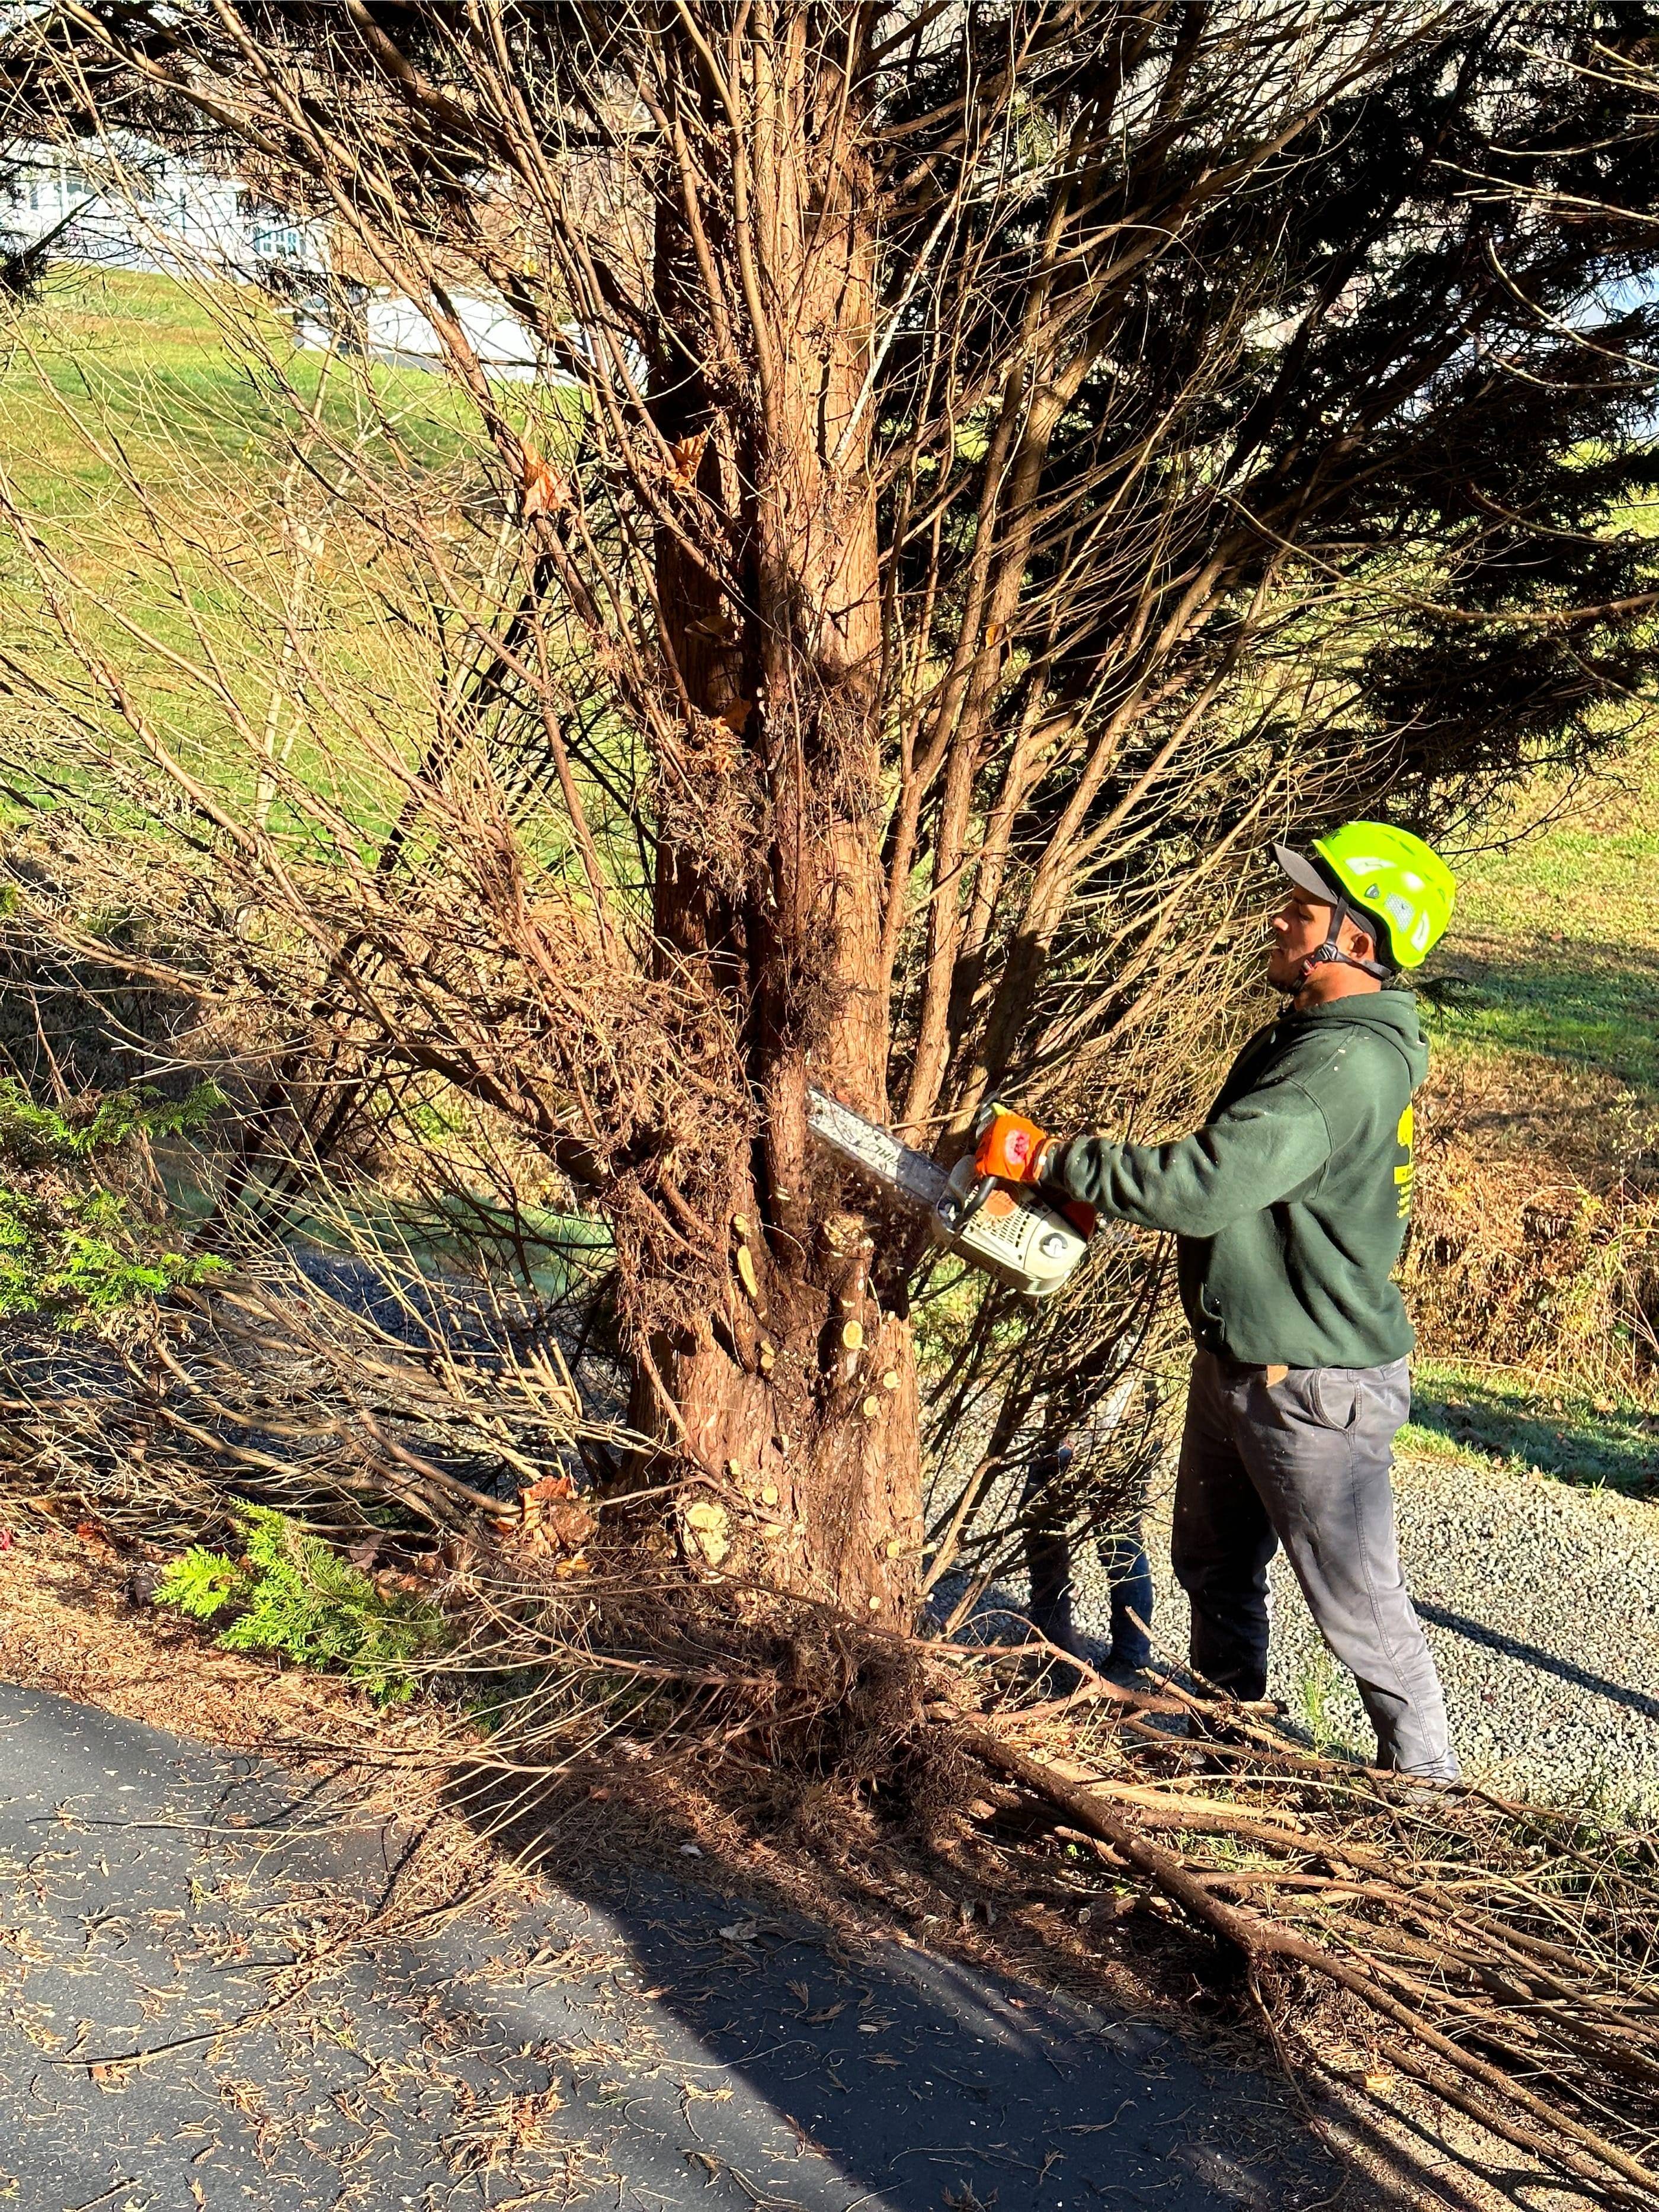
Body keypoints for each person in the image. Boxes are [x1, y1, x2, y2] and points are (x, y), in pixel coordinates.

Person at [975, 823, 1459, 1779]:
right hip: (1248, 1356)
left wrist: (1049, 1159)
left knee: (1362, 1614)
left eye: (1303, 908)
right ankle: (1230, 1749)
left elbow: (1204, 1182)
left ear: (1356, 943)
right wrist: (1101, 1191)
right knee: (1213, 1568)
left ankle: (1430, 1798)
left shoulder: (1340, 1068)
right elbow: (1238, 1188)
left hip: (1312, 1384)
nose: (1279, 920)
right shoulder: (1316, 1041)